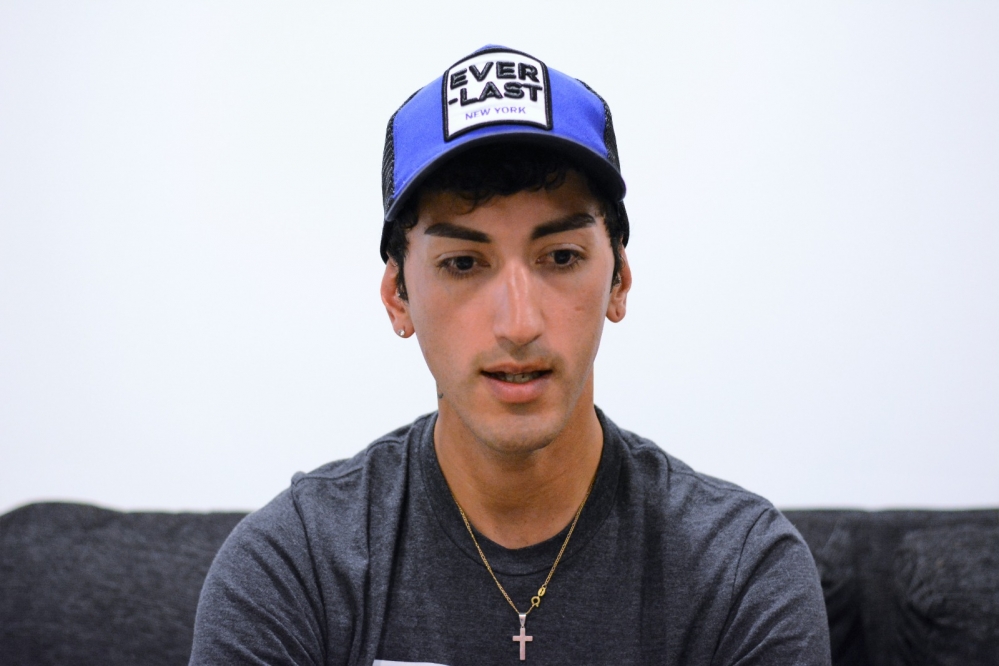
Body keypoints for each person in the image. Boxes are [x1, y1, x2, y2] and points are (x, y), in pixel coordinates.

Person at [189, 45, 831, 666]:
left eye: (561, 257)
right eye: (463, 263)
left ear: (619, 282)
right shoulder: (292, 568)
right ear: (398, 297)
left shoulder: (741, 572)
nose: (519, 324)